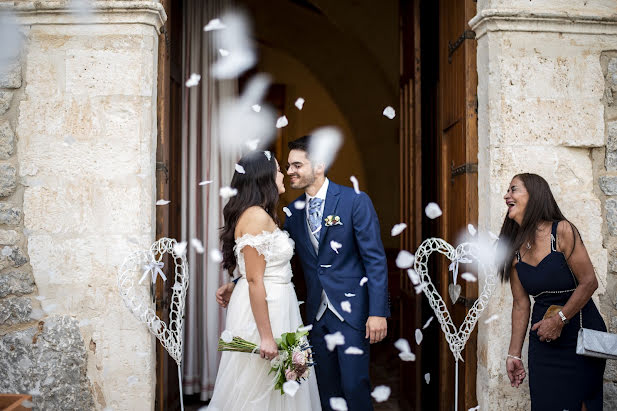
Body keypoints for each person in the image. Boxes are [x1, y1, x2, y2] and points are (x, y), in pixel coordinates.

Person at [209, 150, 321, 410]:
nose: (283, 174)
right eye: (279, 170)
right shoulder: (256, 216)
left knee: (288, 382)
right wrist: (267, 337)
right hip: (266, 312)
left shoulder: (259, 214)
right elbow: (255, 280)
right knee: (259, 386)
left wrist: (233, 283)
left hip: (280, 305)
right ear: (265, 177)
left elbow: (255, 270)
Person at [499, 173, 606, 410]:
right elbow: (520, 304)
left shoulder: (562, 231)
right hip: (544, 342)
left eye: (513, 189)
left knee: (579, 404)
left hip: (579, 335)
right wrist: (514, 355)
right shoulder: (514, 250)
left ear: (535, 195)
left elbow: (589, 282)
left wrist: (560, 319)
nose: (507, 195)